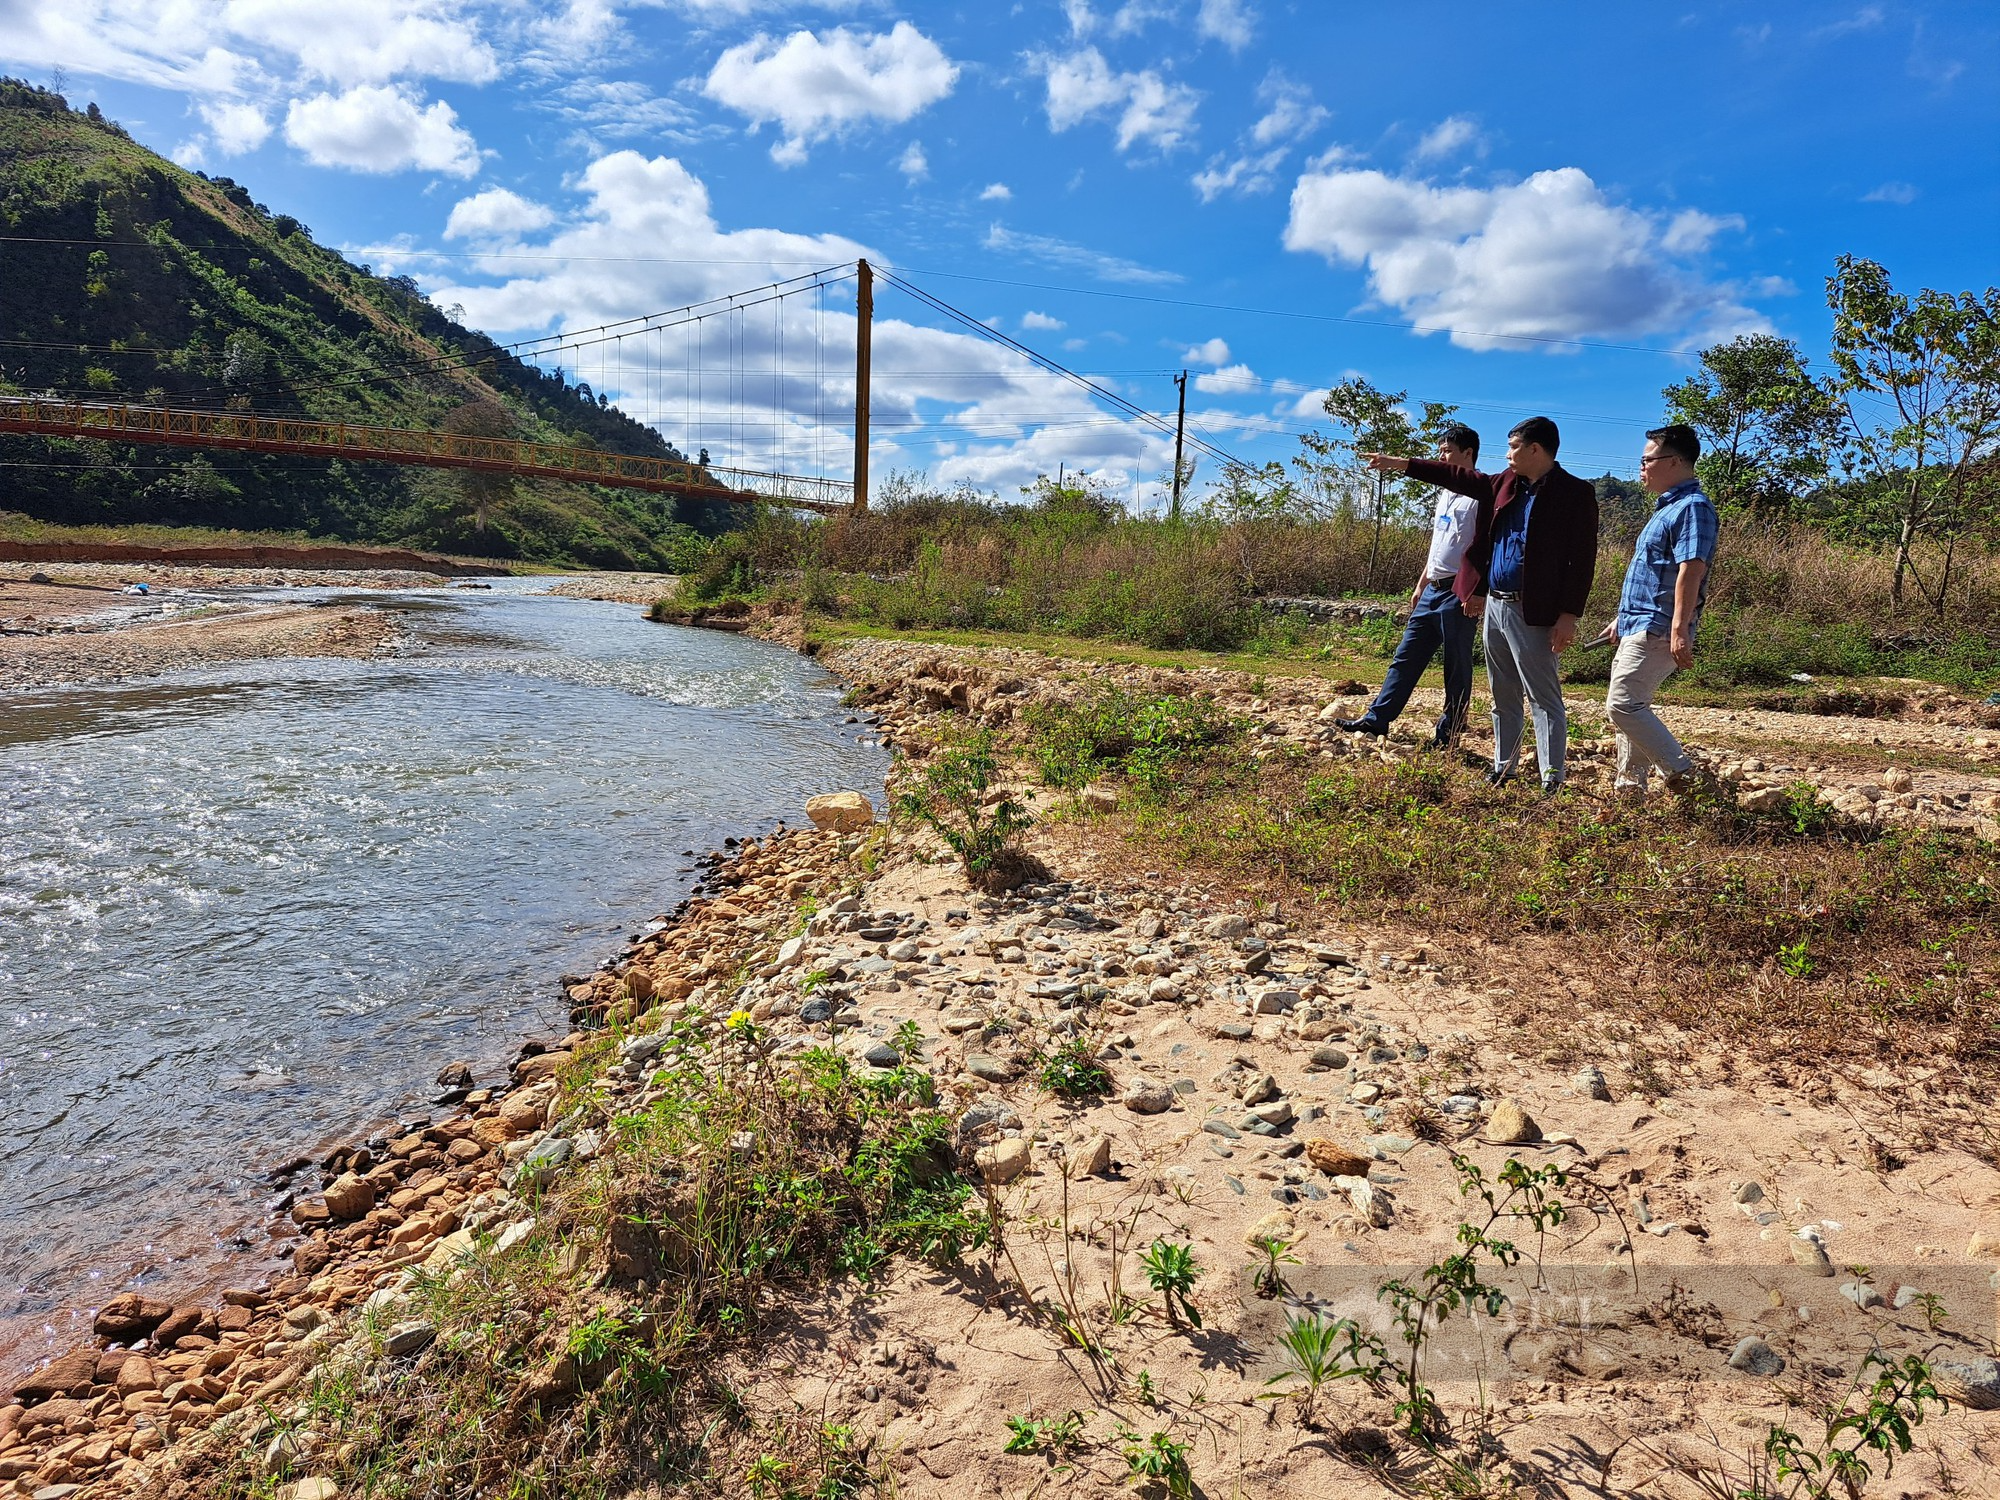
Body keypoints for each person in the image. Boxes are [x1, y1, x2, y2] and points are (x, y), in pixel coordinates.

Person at [1363, 416, 1598, 793]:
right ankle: (1503, 768)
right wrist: (1403, 464)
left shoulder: (1575, 493)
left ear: (1535, 449)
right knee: (1502, 692)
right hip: (1497, 606)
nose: (1507, 455)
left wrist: (1568, 615)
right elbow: (1457, 477)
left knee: (1542, 696)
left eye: (1513, 447)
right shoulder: (1505, 484)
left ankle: (1551, 778)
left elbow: (1582, 559)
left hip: (1535, 611)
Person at [1334, 424, 1482, 746]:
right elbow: (1438, 545)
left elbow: (1485, 549)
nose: (1441, 456)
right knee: (1406, 657)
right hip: (1432, 590)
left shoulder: (1479, 495)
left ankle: (1448, 737)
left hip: (1458, 594)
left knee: (1456, 668)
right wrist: (1421, 583)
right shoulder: (1445, 493)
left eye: (1447, 451)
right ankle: (1375, 722)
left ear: (1468, 453)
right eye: (1440, 450)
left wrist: (1475, 593)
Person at [1600, 423, 1719, 798]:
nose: (1641, 467)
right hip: (1640, 621)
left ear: (1675, 461)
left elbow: (1691, 570)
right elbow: (1653, 574)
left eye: (1647, 460)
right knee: (1632, 707)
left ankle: (1684, 774)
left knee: (1622, 706)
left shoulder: (1694, 508)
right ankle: (1629, 789)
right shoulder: (1666, 508)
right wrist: (1623, 617)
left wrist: (1680, 630)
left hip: (1659, 625)